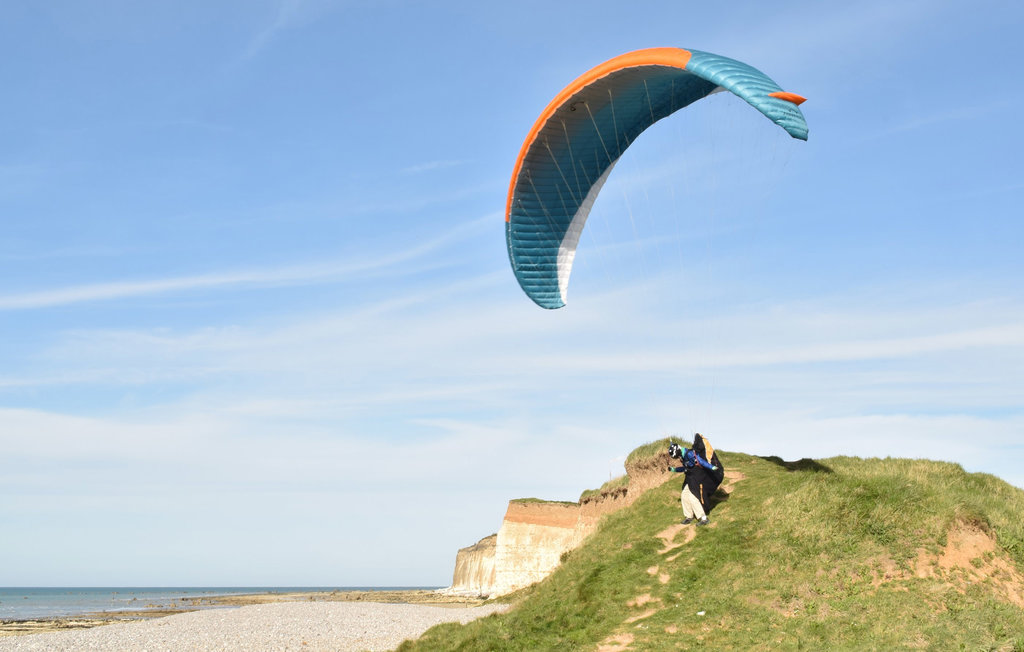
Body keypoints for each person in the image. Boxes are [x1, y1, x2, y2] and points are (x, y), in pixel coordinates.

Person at [667, 434, 724, 526]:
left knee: (693, 496)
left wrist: (712, 467)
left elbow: (701, 461)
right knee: (684, 495)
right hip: (689, 477)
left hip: (698, 477)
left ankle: (703, 518)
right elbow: (684, 468)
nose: (677, 458)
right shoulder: (682, 455)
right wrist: (674, 469)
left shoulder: (689, 453)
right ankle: (689, 516)